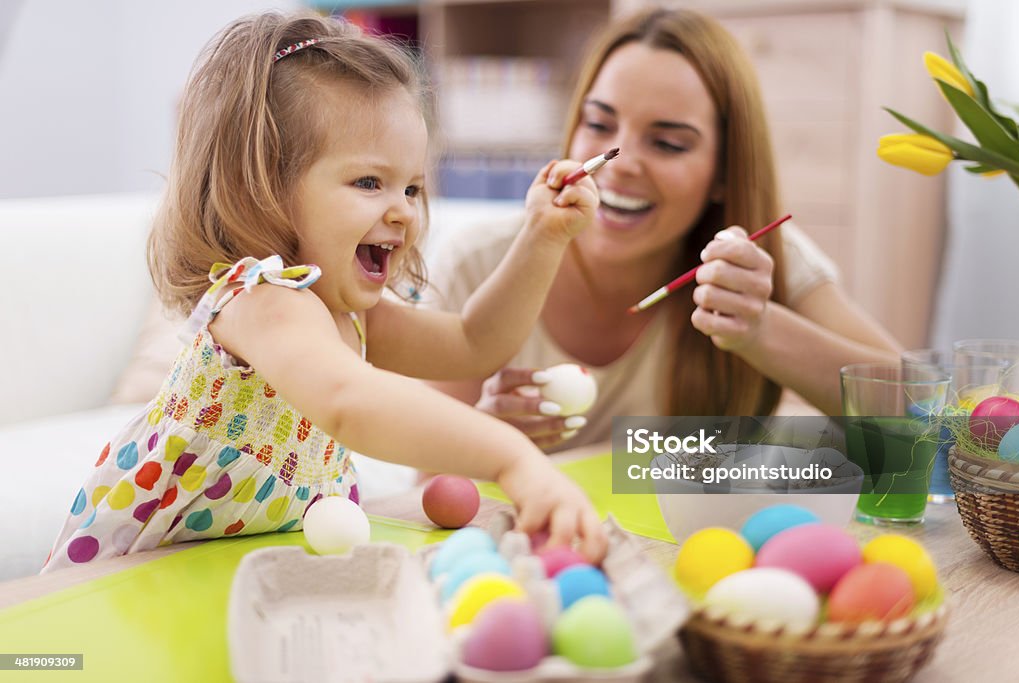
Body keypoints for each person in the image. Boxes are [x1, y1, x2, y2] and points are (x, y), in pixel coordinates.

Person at [42, 11, 607, 573]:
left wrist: (542, 237)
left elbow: (473, 342)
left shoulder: (350, 315)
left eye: (411, 187)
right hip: (137, 575)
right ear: (264, 186)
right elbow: (348, 401)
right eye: (369, 182)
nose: (404, 210)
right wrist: (512, 459)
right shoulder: (261, 301)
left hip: (239, 570)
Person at [425, 8, 901, 451]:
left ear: (723, 173)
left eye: (668, 143)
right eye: (598, 123)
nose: (620, 163)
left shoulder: (753, 262)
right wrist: (482, 445)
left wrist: (760, 329)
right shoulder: (477, 262)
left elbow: (918, 414)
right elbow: (428, 490)